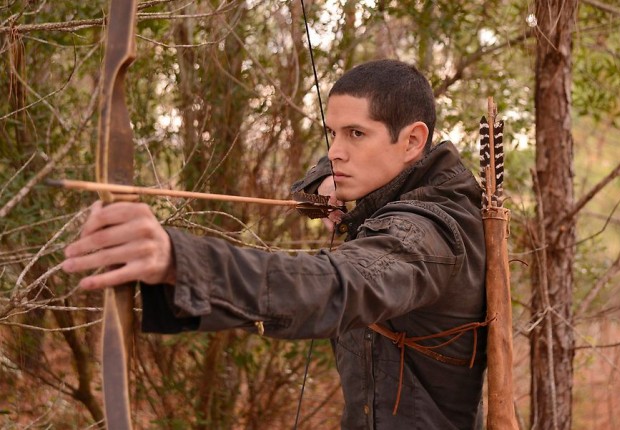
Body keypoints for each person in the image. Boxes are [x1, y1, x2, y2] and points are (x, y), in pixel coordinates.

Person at [63, 59, 488, 429]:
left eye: (356, 133)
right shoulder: (392, 184)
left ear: (412, 141)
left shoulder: (426, 233)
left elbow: (333, 284)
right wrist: (325, 182)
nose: (335, 151)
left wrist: (180, 260)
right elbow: (315, 177)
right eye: (333, 133)